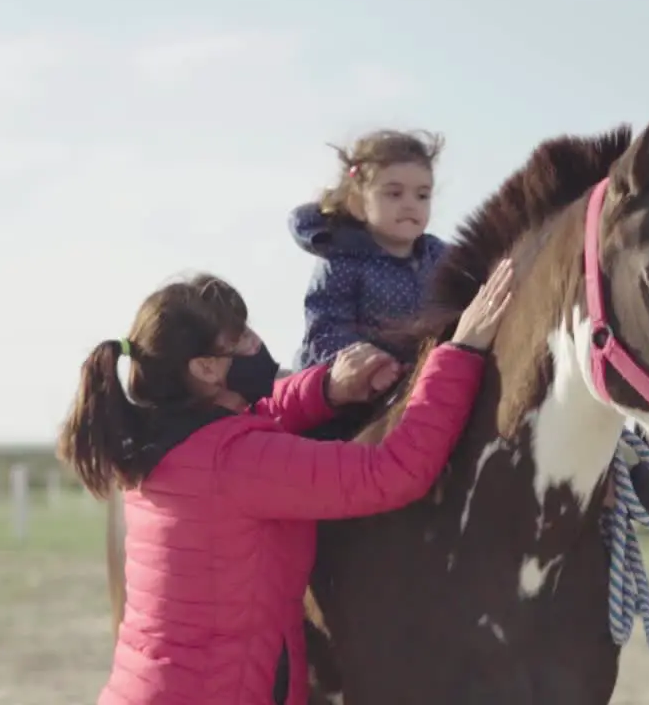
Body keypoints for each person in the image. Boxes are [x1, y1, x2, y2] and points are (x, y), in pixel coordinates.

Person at [57, 262, 515, 705]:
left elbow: (255, 420)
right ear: (205, 369)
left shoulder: (163, 438)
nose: (258, 344)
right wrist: (461, 352)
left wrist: (326, 390)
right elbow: (392, 471)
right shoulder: (236, 462)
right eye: (242, 338)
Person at [289, 128, 448, 370]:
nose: (410, 205)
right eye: (394, 194)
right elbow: (327, 331)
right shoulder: (343, 261)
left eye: (422, 196)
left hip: (422, 372)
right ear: (358, 204)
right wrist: (370, 366)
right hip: (354, 382)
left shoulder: (440, 257)